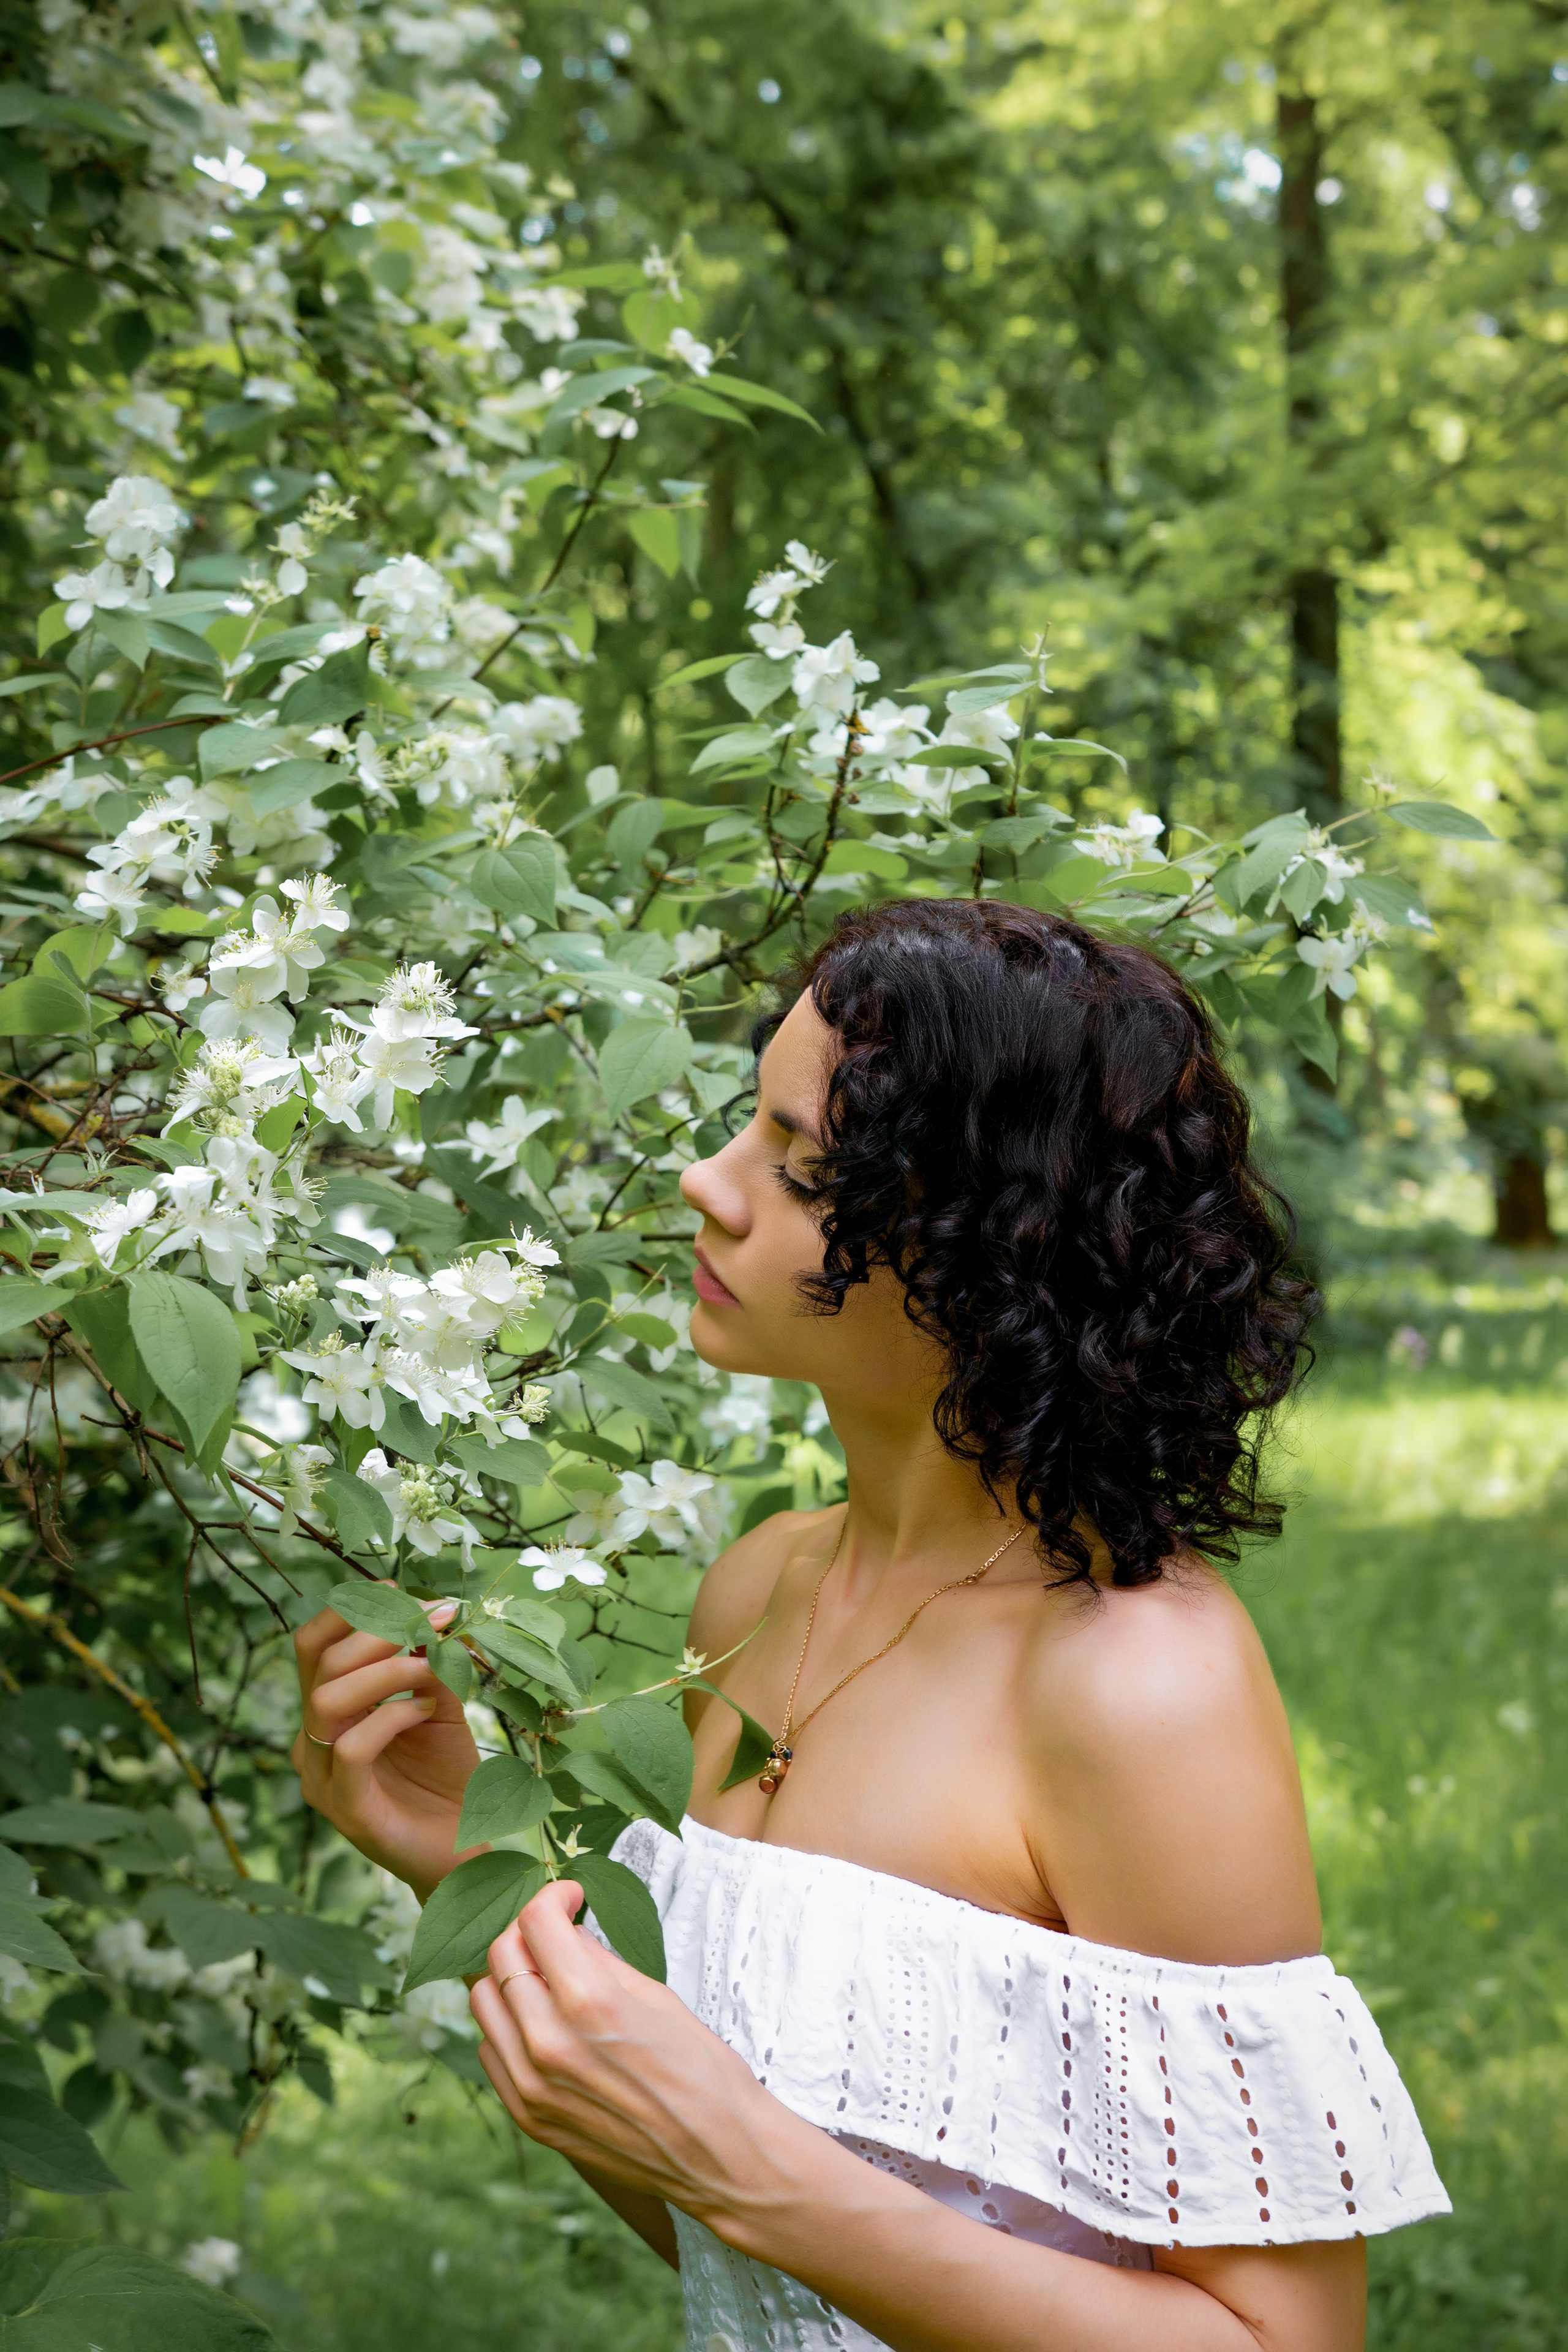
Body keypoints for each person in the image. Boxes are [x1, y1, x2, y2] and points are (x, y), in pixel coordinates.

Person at [293, 899, 1449, 2352]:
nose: (707, 1185)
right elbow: (751, 2269)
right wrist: (475, 1873)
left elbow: (1281, 2343)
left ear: (992, 1247)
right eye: (746, 1127)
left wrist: (748, 2168)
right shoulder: (762, 1589)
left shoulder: (1135, 1684)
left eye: (799, 1168)